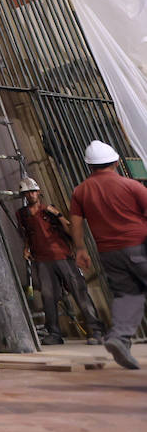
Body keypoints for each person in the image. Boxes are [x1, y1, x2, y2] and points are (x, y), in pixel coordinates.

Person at [71, 140, 147, 370]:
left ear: (89, 166)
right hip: (138, 246)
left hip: (108, 253)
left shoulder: (80, 191)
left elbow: (75, 223)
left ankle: (119, 338)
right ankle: (120, 339)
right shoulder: (131, 185)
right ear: (115, 161)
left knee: (127, 295)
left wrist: (81, 249)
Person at [14, 176, 104, 345]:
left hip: (63, 256)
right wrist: (26, 248)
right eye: (27, 193)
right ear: (24, 196)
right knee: (49, 297)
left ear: (39, 192)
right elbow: (27, 233)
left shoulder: (49, 210)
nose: (31, 195)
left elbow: (71, 231)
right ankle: (54, 333)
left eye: (33, 191)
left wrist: (59, 215)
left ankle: (96, 330)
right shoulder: (22, 215)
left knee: (79, 292)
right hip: (42, 260)